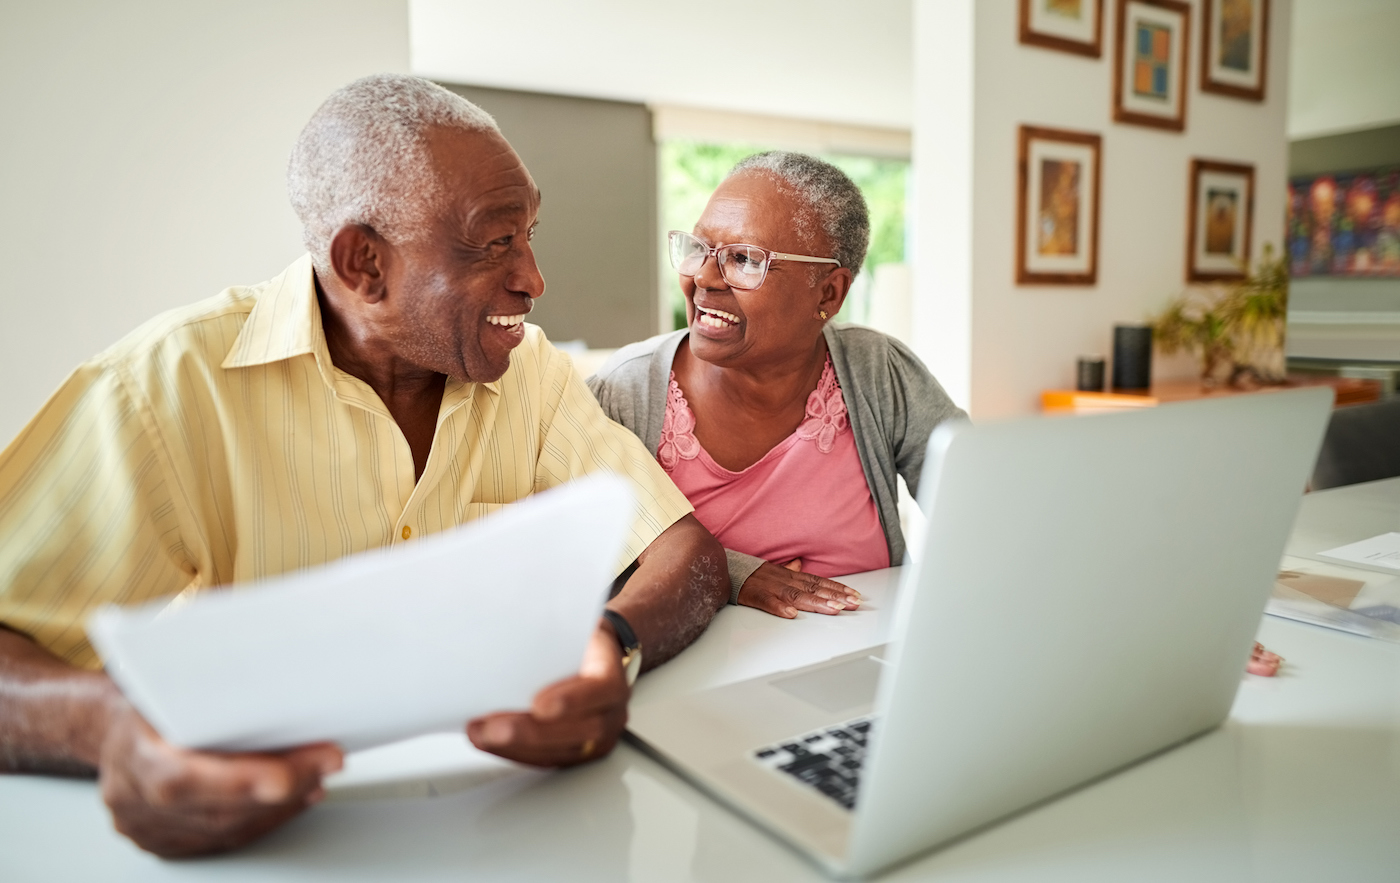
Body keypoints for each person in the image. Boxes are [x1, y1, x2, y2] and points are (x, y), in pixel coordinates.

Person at [0, 74, 728, 857]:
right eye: (494, 243)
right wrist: (112, 729)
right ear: (363, 264)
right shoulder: (157, 388)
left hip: (509, 837)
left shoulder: (533, 372)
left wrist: (612, 643)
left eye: (529, 234)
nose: (533, 279)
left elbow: (684, 552)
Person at [589, 152, 965, 618]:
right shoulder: (623, 393)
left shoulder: (878, 371)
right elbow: (591, 557)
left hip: (868, 663)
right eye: (700, 249)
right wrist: (733, 574)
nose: (703, 277)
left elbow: (985, 513)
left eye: (743, 259)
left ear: (828, 293)